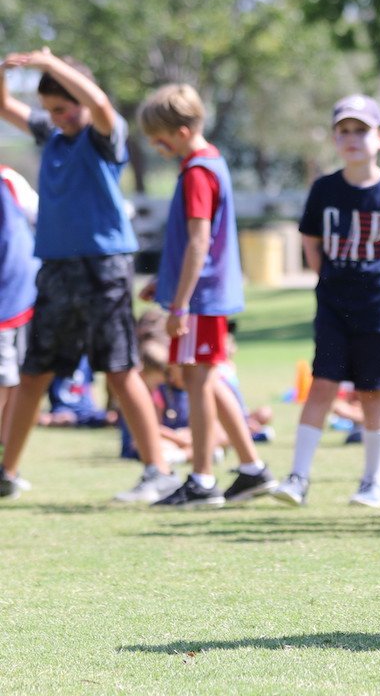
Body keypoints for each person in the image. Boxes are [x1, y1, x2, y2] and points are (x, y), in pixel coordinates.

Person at [0, 49, 178, 502]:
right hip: (57, 269)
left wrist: (49, 63)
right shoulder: (53, 135)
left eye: (62, 108)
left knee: (119, 370)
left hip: (104, 269)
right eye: (50, 110)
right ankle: (6, 471)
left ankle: (157, 471)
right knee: (35, 373)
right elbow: (5, 107)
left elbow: (99, 106)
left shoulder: (101, 137)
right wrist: (5, 72)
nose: (55, 118)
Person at [272, 94, 380, 508]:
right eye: (344, 131)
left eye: (361, 130)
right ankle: (298, 477)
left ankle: (373, 483)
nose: (352, 138)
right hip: (335, 307)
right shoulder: (324, 189)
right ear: (335, 139)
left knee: (373, 394)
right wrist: (330, 282)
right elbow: (311, 243)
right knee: (322, 386)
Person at [138, 83, 276, 507]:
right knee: (207, 378)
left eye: (158, 139)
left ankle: (201, 479)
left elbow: (199, 243)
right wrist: (164, 284)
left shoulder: (198, 172)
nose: (157, 148)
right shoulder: (210, 163)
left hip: (200, 298)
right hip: (201, 294)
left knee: (196, 381)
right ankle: (252, 470)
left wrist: (179, 303)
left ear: (180, 132)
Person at [0, 166, 37, 456]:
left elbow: (45, 217)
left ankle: (6, 463)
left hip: (20, 299)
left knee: (20, 379)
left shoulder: (8, 179)